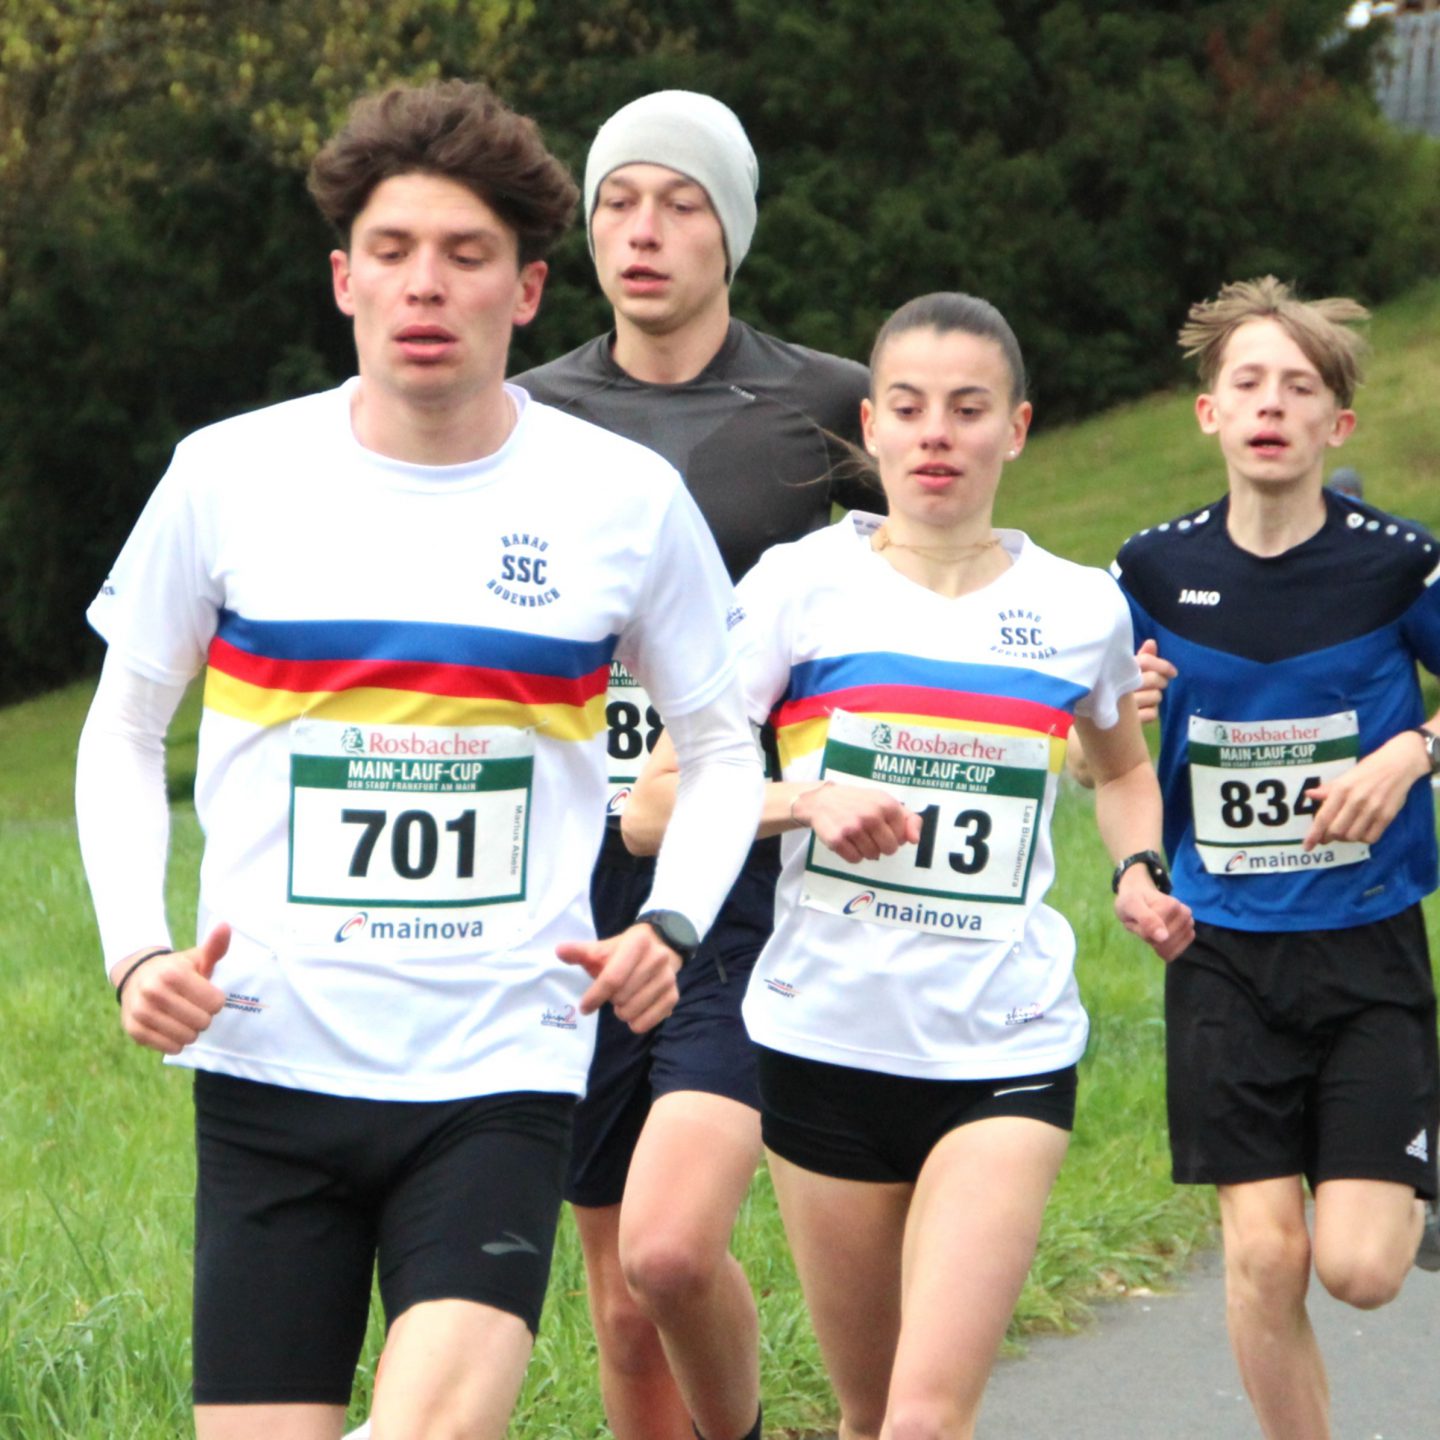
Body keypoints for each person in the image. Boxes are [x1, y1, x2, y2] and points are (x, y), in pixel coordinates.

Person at [75, 79, 762, 1440]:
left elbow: (723, 745)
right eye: (393, 254)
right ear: (344, 281)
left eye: (466, 256)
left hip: (498, 1067)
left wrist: (673, 922)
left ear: (526, 291)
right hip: (270, 1065)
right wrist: (133, 949)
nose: (424, 286)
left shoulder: (619, 502)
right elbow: (120, 727)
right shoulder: (229, 476)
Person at [624, 292, 1193, 1440]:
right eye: (911, 408)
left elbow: (1122, 766)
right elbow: (652, 807)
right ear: (871, 428)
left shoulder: (1079, 606)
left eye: (968, 408)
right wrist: (804, 800)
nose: (938, 434)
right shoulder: (797, 586)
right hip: (822, 1043)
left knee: (926, 1419)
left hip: (1005, 1047)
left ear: (1017, 429)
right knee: (870, 1411)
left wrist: (1139, 868)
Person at [510, 92, 870, 1440]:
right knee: (616, 1304)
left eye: (679, 204)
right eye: (618, 202)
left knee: (669, 1249)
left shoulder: (830, 404)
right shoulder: (526, 410)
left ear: (734, 231)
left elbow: (936, 575)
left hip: (752, 876)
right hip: (570, 881)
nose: (643, 232)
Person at [1110, 276, 1440, 1440]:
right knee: (1264, 1255)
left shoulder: (1399, 565)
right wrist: (1117, 711)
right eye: (1246, 382)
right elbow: (1090, 756)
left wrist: (1413, 751)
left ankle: (1409, 1175)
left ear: (1335, 428)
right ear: (1208, 413)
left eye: (1299, 388)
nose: (1271, 404)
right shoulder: (1147, 572)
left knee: (1360, 1269)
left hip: (1366, 950)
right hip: (1222, 955)